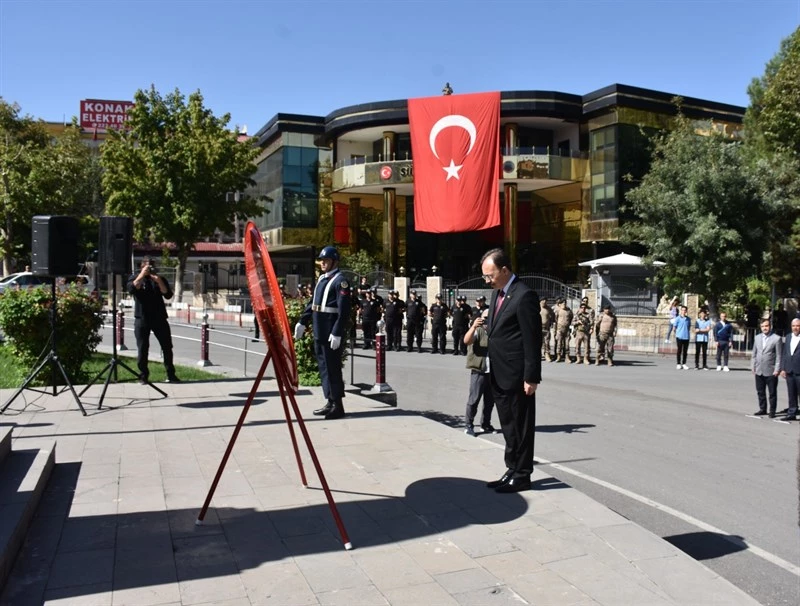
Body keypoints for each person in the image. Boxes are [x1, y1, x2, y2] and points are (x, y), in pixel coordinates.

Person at [481, 248, 541, 494]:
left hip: (518, 375)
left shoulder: (524, 295)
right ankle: (512, 468)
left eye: (490, 275)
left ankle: (523, 474)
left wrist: (531, 376)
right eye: (485, 276)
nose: (487, 280)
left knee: (521, 425)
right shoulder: (497, 294)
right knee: (507, 424)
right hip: (498, 371)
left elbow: (532, 339)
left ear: (504, 270)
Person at [294, 246, 351, 420]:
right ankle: (330, 400)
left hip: (331, 332)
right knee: (324, 367)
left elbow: (344, 311)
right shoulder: (322, 279)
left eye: (325, 260)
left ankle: (338, 406)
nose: (322, 263)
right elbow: (313, 303)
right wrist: (303, 321)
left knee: (333, 368)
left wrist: (337, 332)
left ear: (334, 261)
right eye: (321, 260)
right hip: (319, 331)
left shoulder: (341, 281)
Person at [127, 256, 179, 384]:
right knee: (143, 348)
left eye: (152, 264)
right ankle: (143, 375)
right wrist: (142, 275)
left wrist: (159, 281)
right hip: (142, 319)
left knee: (167, 346)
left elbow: (168, 295)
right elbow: (132, 289)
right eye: (147, 265)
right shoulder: (135, 278)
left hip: (159, 318)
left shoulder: (159, 279)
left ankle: (171, 374)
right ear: (142, 265)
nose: (150, 267)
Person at [462, 308, 495, 436]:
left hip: (492, 372)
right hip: (479, 371)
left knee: (490, 401)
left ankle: (485, 424)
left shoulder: (495, 330)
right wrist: (473, 327)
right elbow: (466, 340)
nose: (487, 320)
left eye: (490, 317)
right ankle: (468, 425)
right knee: (474, 399)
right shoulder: (478, 330)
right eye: (485, 317)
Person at [751, 319, 782, 418]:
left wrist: (777, 369)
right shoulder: (757, 338)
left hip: (771, 370)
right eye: (763, 326)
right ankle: (762, 408)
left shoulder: (776, 338)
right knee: (760, 391)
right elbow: (754, 354)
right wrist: (753, 366)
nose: (765, 328)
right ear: (760, 327)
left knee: (772, 392)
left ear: (770, 326)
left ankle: (772, 411)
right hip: (759, 369)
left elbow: (779, 356)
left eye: (767, 326)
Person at [778, 318, 800, 421]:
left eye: (798, 326)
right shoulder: (788, 337)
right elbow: (785, 354)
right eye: (793, 326)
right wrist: (783, 368)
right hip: (789, 370)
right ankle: (792, 412)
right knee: (791, 393)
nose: (795, 328)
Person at [672, 305, 691, 370]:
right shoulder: (677, 318)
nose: (683, 311)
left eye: (685, 310)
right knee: (679, 350)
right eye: (682, 310)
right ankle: (678, 363)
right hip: (679, 337)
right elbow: (674, 328)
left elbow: (688, 327)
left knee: (685, 351)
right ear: (681, 311)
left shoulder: (688, 319)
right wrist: (677, 333)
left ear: (686, 311)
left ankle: (684, 363)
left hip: (686, 337)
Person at [554, 298, 573, 363]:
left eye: (565, 303)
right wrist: (556, 330)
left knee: (567, 344)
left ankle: (567, 357)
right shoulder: (557, 311)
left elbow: (571, 318)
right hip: (559, 329)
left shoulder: (569, 310)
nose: (564, 304)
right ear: (559, 304)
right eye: (562, 303)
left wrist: (568, 324)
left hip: (567, 329)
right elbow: (555, 320)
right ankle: (558, 356)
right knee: (559, 344)